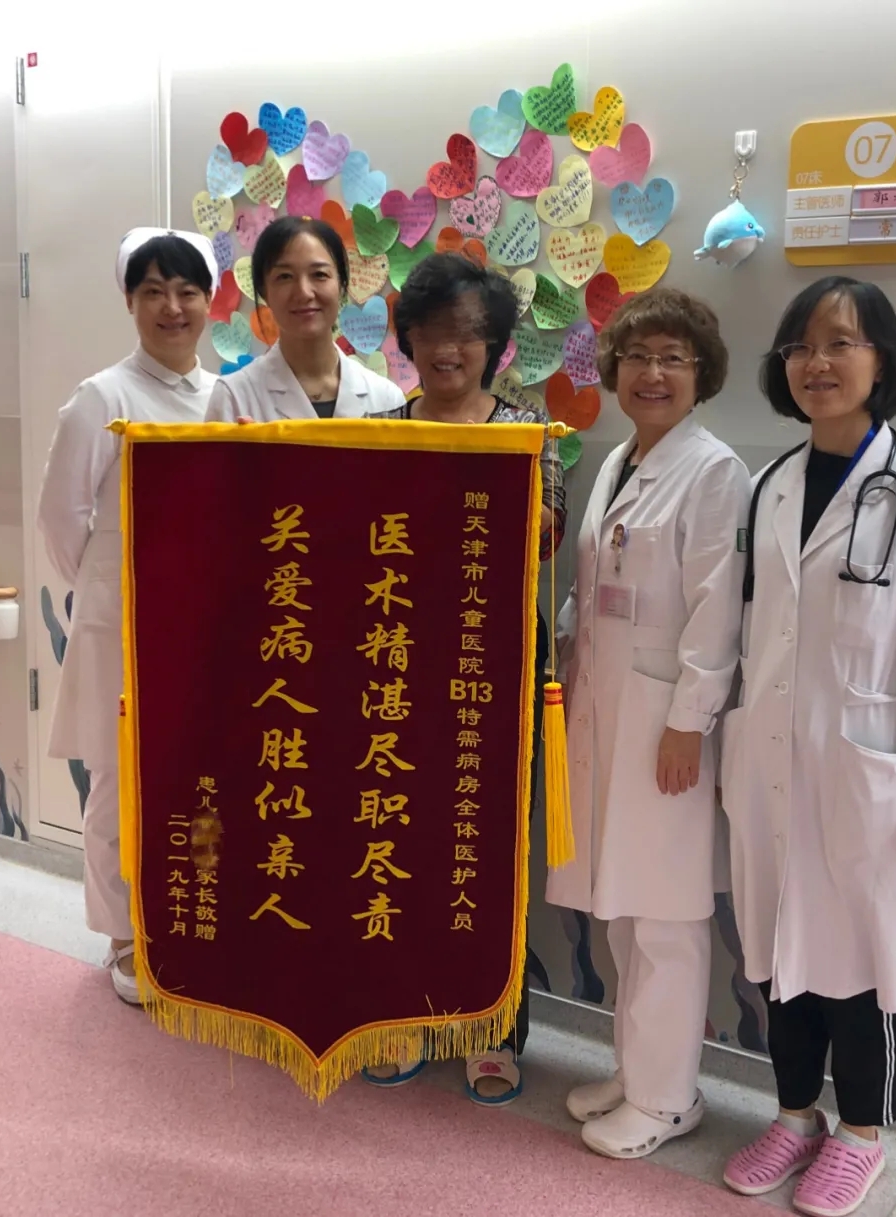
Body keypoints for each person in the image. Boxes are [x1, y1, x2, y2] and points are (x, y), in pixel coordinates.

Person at [721, 276, 896, 1217]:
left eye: (841, 343)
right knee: (778, 951)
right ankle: (795, 1115)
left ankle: (863, 1134)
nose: (817, 363)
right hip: (768, 764)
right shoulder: (772, 483)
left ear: (883, 361)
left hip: (869, 771)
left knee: (864, 962)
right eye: (800, 345)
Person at [548, 288, 750, 1159]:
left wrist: (687, 723)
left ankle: (668, 1099)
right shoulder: (620, 461)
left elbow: (717, 611)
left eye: (673, 357)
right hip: (606, 710)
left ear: (702, 373)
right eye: (637, 356)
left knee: (665, 914)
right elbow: (591, 585)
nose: (653, 373)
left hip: (665, 724)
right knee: (622, 906)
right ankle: (638, 1071)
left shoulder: (714, 472)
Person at [364, 252, 566, 1105]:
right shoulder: (377, 427)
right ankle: (400, 1012)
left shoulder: (530, 429)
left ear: (496, 346)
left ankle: (492, 1026)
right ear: (408, 338)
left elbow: (548, 536)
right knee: (398, 836)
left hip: (495, 658)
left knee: (489, 847)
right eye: (433, 331)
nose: (450, 348)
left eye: (469, 334)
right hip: (398, 658)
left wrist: (496, 493)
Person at [38, 228, 220, 1004]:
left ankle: (185, 921)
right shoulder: (102, 397)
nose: (171, 307)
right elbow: (61, 521)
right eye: (153, 291)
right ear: (130, 302)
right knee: (119, 779)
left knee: (195, 776)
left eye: (187, 291)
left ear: (211, 301)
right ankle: (122, 936)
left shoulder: (224, 399)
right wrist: (111, 590)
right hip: (122, 625)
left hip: (204, 628)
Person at [204, 216, 403, 422]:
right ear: (264, 291)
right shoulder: (233, 397)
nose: (304, 292)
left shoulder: (386, 399)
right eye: (285, 277)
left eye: (319, 275)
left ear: (342, 286)